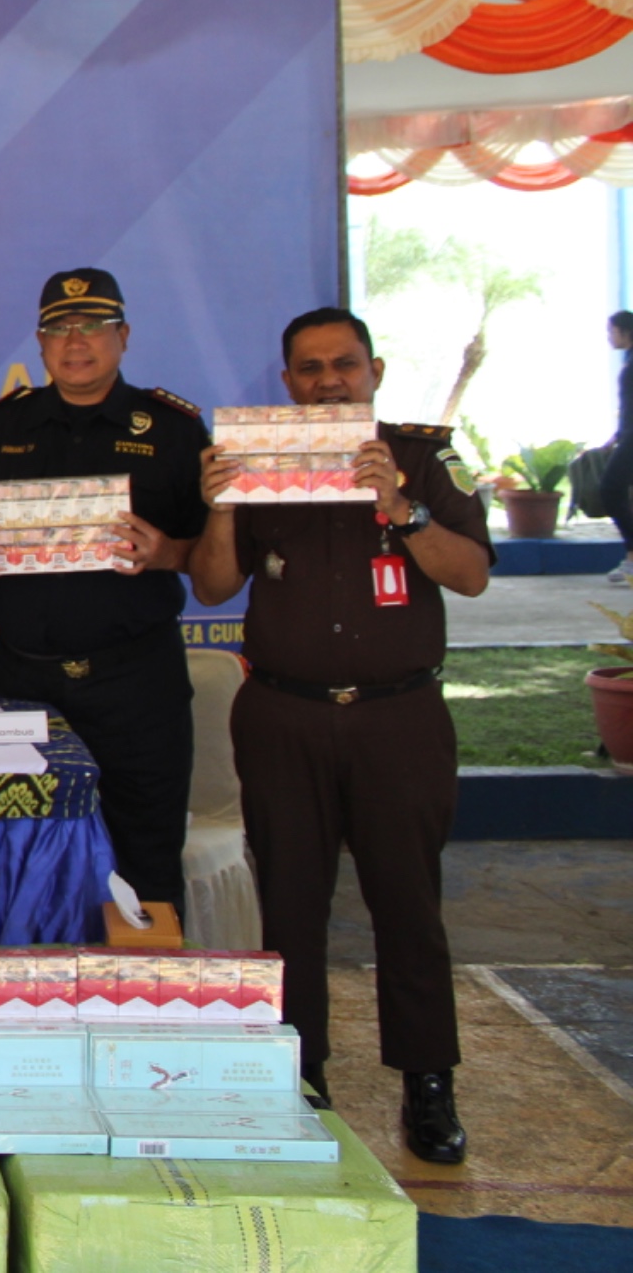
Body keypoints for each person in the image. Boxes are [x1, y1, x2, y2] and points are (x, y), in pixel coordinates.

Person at [190, 306, 491, 1164]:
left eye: (345, 364)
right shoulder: (259, 459)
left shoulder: (425, 458)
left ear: (375, 372)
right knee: (290, 904)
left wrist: (404, 509)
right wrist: (221, 509)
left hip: (399, 719)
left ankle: (427, 1083)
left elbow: (473, 575)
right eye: (311, 368)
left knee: (408, 905)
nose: (328, 381)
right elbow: (212, 587)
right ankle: (300, 1071)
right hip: (284, 716)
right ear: (288, 380)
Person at [0, 269, 208, 915]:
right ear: (40, 343)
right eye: (59, 328)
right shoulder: (3, 426)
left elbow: (214, 561)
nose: (75, 341)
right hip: (27, 679)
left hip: (136, 682)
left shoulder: (171, 429)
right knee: (21, 862)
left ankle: (151, 981)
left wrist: (167, 553)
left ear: (124, 336)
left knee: (147, 866)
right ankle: (35, 982)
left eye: (93, 325)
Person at [604, 310, 633, 584]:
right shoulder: (628, 359)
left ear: (626, 332)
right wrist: (616, 437)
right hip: (627, 436)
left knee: (611, 489)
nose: (609, 337)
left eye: (611, 331)